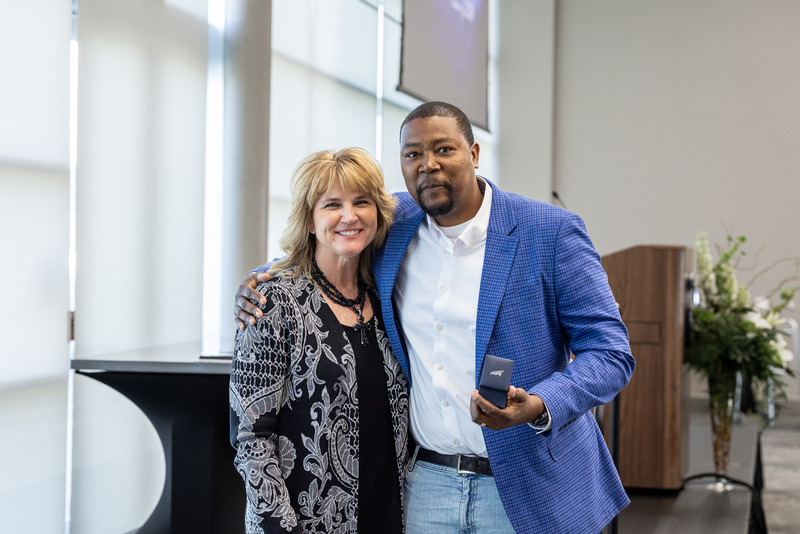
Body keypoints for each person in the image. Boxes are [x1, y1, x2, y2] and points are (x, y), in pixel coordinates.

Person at [235, 102, 635, 533]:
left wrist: (540, 405)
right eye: (412, 154)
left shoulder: (550, 231)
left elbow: (611, 352)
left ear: (475, 154)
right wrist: (266, 277)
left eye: (444, 149)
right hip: (426, 487)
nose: (428, 165)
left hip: (525, 483)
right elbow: (333, 231)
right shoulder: (398, 221)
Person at [229, 147, 409, 534]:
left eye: (362, 202)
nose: (349, 216)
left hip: (391, 516)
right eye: (332, 205)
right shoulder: (272, 302)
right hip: (304, 523)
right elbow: (252, 439)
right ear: (309, 221)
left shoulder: (388, 298)